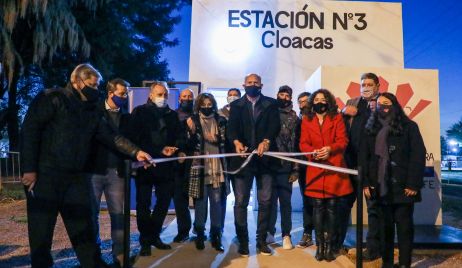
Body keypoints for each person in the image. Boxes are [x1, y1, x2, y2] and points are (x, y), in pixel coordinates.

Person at [20, 63, 151, 268]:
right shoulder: (52, 98)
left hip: (76, 178)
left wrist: (136, 152)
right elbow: (30, 131)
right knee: (41, 230)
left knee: (84, 226)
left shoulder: (92, 109)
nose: (95, 89)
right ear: (76, 81)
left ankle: (93, 264)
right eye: (92, 84)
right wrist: (29, 169)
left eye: (97, 85)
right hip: (46, 175)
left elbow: (111, 136)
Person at [360, 92, 426, 268]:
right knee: (384, 229)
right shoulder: (370, 128)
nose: (383, 107)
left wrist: (413, 183)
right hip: (380, 187)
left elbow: (418, 155)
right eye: (379, 104)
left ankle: (404, 264)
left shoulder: (409, 126)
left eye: (387, 103)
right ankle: (387, 263)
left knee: (404, 229)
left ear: (395, 105)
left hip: (404, 187)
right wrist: (366, 182)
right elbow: (364, 158)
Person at [128, 81, 185, 256]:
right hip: (145, 165)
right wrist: (158, 150)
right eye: (159, 94)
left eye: (165, 95)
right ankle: (145, 240)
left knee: (163, 203)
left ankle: (154, 236)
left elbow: (179, 136)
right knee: (143, 204)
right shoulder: (139, 112)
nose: (163, 98)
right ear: (151, 95)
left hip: (166, 167)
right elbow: (135, 138)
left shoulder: (172, 115)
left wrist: (176, 148)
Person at [227, 73, 281, 256]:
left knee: (265, 201)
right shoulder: (235, 106)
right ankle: (243, 241)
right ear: (243, 85)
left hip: (265, 160)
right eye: (249, 83)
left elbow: (275, 126)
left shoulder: (271, 104)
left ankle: (261, 241)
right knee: (241, 202)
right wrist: (235, 142)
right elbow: (231, 129)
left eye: (255, 82)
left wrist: (266, 141)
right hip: (243, 160)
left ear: (261, 85)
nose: (252, 85)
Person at [299, 89, 353, 262]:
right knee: (317, 207)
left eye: (323, 99)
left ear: (328, 101)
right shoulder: (306, 120)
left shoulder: (336, 118)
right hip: (315, 168)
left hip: (334, 167)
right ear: (312, 102)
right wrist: (312, 152)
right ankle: (319, 246)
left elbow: (342, 140)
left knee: (331, 208)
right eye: (316, 99)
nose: (319, 102)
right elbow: (303, 143)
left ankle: (329, 247)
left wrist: (330, 149)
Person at [87, 78, 131, 266]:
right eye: (122, 93)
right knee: (91, 214)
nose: (125, 96)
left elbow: (129, 142)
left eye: (126, 93)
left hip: (117, 173)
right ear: (110, 93)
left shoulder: (127, 117)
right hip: (94, 171)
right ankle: (94, 256)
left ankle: (119, 256)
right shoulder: (95, 111)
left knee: (118, 215)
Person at [341, 72, 381, 258]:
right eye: (363, 84)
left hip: (373, 164)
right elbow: (340, 126)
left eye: (369, 84)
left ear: (377, 85)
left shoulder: (384, 101)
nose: (365, 87)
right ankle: (336, 243)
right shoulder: (353, 102)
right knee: (344, 203)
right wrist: (343, 112)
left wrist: (369, 111)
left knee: (373, 207)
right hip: (350, 163)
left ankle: (373, 249)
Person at [186, 93, 229, 251]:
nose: (206, 106)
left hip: (217, 165)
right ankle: (199, 233)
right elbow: (188, 144)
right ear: (198, 105)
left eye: (209, 103)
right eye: (203, 104)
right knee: (200, 202)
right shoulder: (192, 120)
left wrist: (217, 139)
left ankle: (216, 234)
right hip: (199, 165)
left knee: (217, 202)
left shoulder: (221, 120)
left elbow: (227, 142)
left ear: (214, 104)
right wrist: (190, 132)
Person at [267, 85, 300, 250]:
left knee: (285, 202)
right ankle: (270, 232)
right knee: (269, 201)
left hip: (286, 165)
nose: (284, 97)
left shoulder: (294, 117)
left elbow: (296, 144)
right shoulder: (269, 111)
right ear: (277, 94)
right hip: (269, 164)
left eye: (287, 95)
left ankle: (286, 235)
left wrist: (295, 168)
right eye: (282, 94)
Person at [172, 88, 194, 243]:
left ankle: (200, 230)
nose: (186, 99)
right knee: (180, 199)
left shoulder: (198, 116)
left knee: (199, 199)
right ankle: (183, 231)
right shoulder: (172, 115)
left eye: (190, 97)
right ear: (179, 98)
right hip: (177, 164)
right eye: (184, 96)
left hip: (196, 162)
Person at [295, 91, 314, 248]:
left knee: (323, 202)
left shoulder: (321, 119)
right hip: (303, 167)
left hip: (319, 164)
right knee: (307, 200)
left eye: (306, 101)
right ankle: (307, 233)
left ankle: (324, 234)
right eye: (300, 101)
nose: (303, 104)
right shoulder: (297, 121)